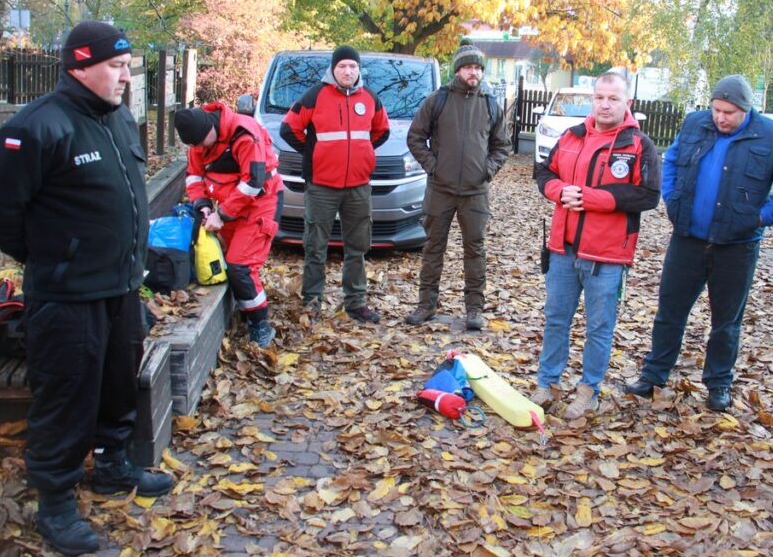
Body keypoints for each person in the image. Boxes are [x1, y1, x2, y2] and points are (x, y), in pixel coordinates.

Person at [0, 21, 174, 557]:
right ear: (80, 66)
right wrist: (52, 258)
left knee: (115, 385)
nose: (126, 78)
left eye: (128, 67)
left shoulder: (121, 122)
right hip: (65, 297)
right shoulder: (39, 126)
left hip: (121, 289)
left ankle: (112, 465)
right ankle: (55, 502)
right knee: (65, 396)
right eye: (116, 66)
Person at [625, 75, 773, 411]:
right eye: (716, 109)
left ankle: (718, 384)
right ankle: (654, 374)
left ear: (747, 110)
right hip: (688, 238)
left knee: (726, 322)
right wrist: (671, 198)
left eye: (729, 112)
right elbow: (670, 161)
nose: (720, 117)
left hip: (737, 245)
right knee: (670, 312)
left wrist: (761, 217)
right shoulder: (695, 123)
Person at [530, 72, 661, 419]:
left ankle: (588, 390)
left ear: (627, 103)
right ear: (593, 99)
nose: (605, 104)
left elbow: (648, 195)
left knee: (599, 327)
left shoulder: (639, 145)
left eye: (613, 98)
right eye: (600, 97)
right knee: (556, 319)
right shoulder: (571, 136)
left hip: (607, 255)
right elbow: (543, 172)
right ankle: (547, 384)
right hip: (563, 248)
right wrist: (558, 191)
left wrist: (591, 198)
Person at [404, 41, 512, 330]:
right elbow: (415, 137)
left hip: (476, 193)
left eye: (477, 68)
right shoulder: (437, 100)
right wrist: (433, 166)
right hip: (440, 190)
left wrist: (487, 171)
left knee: (475, 250)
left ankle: (474, 309)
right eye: (468, 67)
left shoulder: (490, 103)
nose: (473, 72)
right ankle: (426, 305)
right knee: (432, 248)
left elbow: (502, 146)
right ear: (458, 70)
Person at [280, 46, 390, 323]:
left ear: (358, 69)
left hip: (358, 186)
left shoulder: (370, 97)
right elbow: (289, 128)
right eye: (342, 66)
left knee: (358, 246)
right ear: (333, 69)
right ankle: (312, 302)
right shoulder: (316, 95)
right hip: (322, 186)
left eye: (352, 66)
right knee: (315, 246)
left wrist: (362, 153)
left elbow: (382, 131)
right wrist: (313, 152)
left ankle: (356, 302)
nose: (348, 71)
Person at [175, 103, 282, 348]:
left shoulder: (244, 134)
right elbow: (194, 175)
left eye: (203, 142)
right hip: (230, 206)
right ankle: (246, 309)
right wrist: (201, 203)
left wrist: (221, 214)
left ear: (210, 127)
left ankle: (259, 323)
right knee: (233, 263)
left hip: (260, 203)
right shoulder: (198, 139)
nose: (201, 148)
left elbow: (253, 183)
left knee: (240, 266)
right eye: (196, 145)